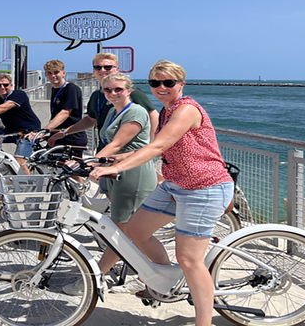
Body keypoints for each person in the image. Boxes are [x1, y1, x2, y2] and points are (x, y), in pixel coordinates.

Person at [90, 60, 234, 326]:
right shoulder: (167, 111)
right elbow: (152, 146)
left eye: (169, 82)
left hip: (204, 188)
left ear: (181, 84)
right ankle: (163, 280)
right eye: (156, 83)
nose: (161, 87)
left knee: (189, 259)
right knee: (134, 230)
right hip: (175, 184)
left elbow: (159, 146)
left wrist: (118, 166)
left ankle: (204, 323)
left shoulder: (186, 109)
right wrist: (104, 161)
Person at [63, 73, 157, 295]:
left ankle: (94, 277)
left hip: (132, 174)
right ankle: (148, 276)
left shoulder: (135, 112)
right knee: (127, 230)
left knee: (121, 230)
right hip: (115, 173)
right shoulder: (115, 112)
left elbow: (117, 144)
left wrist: (86, 161)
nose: (113, 93)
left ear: (128, 90)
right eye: (108, 90)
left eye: (118, 89)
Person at [47, 52, 158, 151]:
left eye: (108, 67)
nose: (103, 70)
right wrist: (64, 132)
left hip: (128, 151)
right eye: (98, 67)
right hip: (104, 148)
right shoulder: (96, 95)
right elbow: (91, 119)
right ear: (93, 71)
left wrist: (149, 145)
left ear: (117, 69)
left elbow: (153, 115)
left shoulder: (130, 92)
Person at [28, 60, 87, 153]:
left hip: (72, 136)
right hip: (57, 135)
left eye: (56, 72)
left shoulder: (71, 89)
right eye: (49, 73)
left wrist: (44, 131)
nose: (53, 76)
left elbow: (65, 113)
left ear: (63, 73)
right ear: (45, 75)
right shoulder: (54, 89)